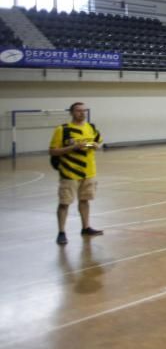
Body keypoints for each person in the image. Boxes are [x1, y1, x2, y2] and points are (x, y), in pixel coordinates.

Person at [49, 102, 104, 245]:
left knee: (85, 200)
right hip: (69, 172)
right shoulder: (63, 129)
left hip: (89, 172)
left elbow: (98, 143)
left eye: (84, 110)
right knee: (64, 203)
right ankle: (61, 232)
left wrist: (94, 145)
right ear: (72, 112)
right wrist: (73, 147)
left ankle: (85, 227)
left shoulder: (91, 128)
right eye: (78, 110)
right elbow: (53, 151)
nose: (82, 113)